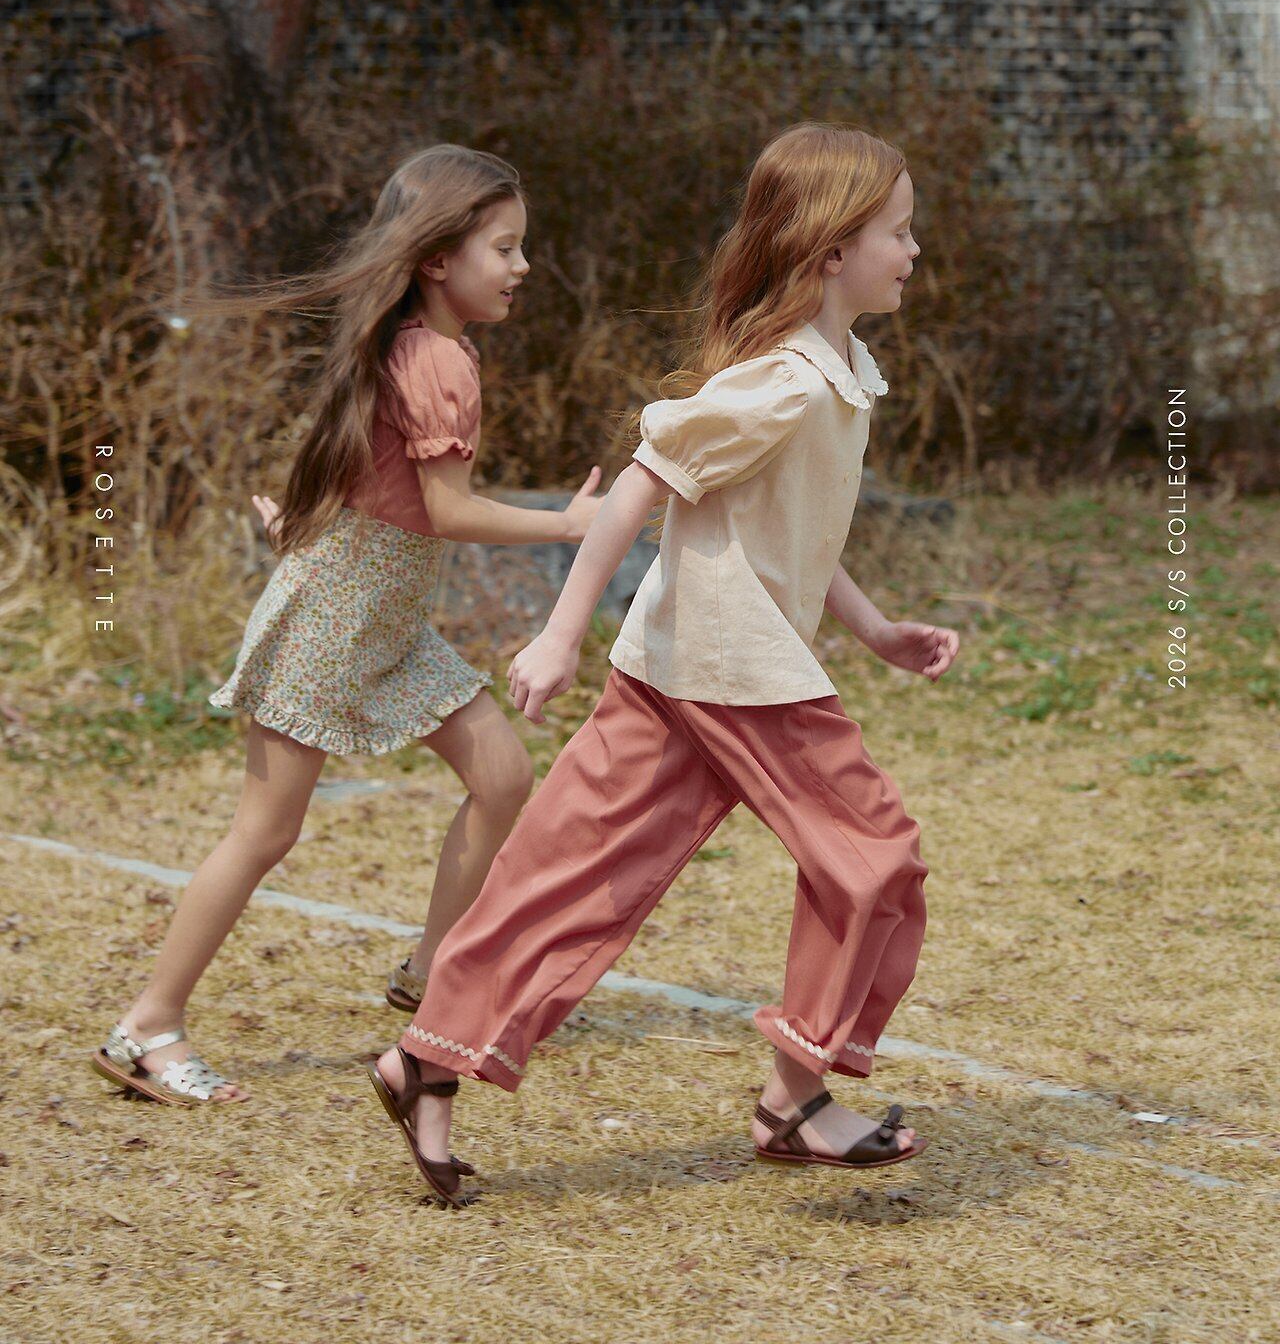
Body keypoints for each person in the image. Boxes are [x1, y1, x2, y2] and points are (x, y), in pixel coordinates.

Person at [365, 121, 961, 1207]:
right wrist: (560, 631)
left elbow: (785, 531)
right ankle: (795, 1102)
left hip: (679, 664)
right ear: (833, 249)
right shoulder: (783, 382)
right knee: (874, 859)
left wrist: (874, 629)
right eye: (899, 231)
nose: (913, 250)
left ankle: (426, 1062)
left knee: (569, 871)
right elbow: (643, 481)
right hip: (737, 673)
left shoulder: (836, 373)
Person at [92, 144, 605, 1105]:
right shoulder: (435, 358)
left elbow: (376, 477)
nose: (524, 265)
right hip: (338, 619)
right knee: (264, 833)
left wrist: (303, 526)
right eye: (505, 247)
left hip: (385, 618)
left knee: (501, 775)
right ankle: (146, 1028)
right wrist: (569, 525)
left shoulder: (420, 346)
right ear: (438, 258)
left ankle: (431, 975)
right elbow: (446, 510)